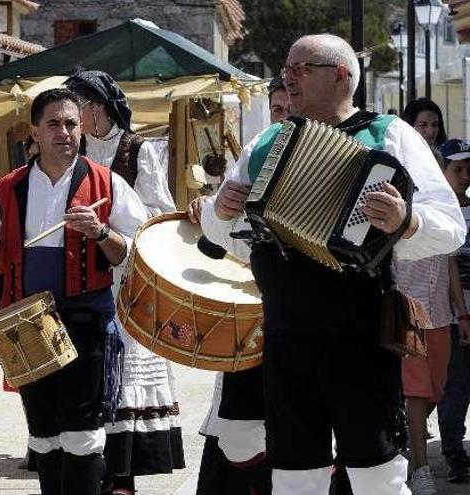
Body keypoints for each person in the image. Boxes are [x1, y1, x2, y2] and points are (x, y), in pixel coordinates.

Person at [201, 33, 465, 494]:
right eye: (286, 69)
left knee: (377, 475)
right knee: (293, 476)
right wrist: (218, 212)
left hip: (360, 333)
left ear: (341, 75)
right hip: (285, 336)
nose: (288, 78)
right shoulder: (266, 141)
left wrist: (408, 221)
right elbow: (229, 239)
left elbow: (450, 228)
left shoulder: (391, 135)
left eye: (300, 69)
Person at [0, 88, 148, 495]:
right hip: (27, 325)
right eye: (53, 123)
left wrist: (100, 232)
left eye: (72, 123)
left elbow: (131, 252)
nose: (64, 131)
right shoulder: (6, 189)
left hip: (86, 320)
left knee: (83, 431)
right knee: (44, 433)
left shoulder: (108, 183)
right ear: (34, 131)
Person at [65, 69, 182, 495]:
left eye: (75, 108)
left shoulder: (137, 150)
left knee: (122, 372)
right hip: (78, 275)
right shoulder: (68, 153)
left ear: (95, 107)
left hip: (124, 276)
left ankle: (123, 474)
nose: (69, 120)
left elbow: (160, 213)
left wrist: (116, 220)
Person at [189, 74, 294, 495]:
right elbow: (217, 238)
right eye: (278, 109)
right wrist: (215, 211)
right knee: (239, 429)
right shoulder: (257, 153)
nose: (283, 117)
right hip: (254, 310)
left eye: (290, 108)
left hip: (310, 315)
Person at [393, 147, 460, 494]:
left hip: (440, 314)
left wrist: (461, 311)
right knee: (417, 393)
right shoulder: (396, 202)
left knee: (437, 387)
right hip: (407, 311)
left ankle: (405, 432)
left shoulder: (441, 208)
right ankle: (420, 469)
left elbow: (449, 262)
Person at [438, 138, 470, 484]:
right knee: (455, 386)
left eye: (468, 170)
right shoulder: (438, 215)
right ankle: (453, 452)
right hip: (451, 315)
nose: (465, 176)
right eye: (458, 169)